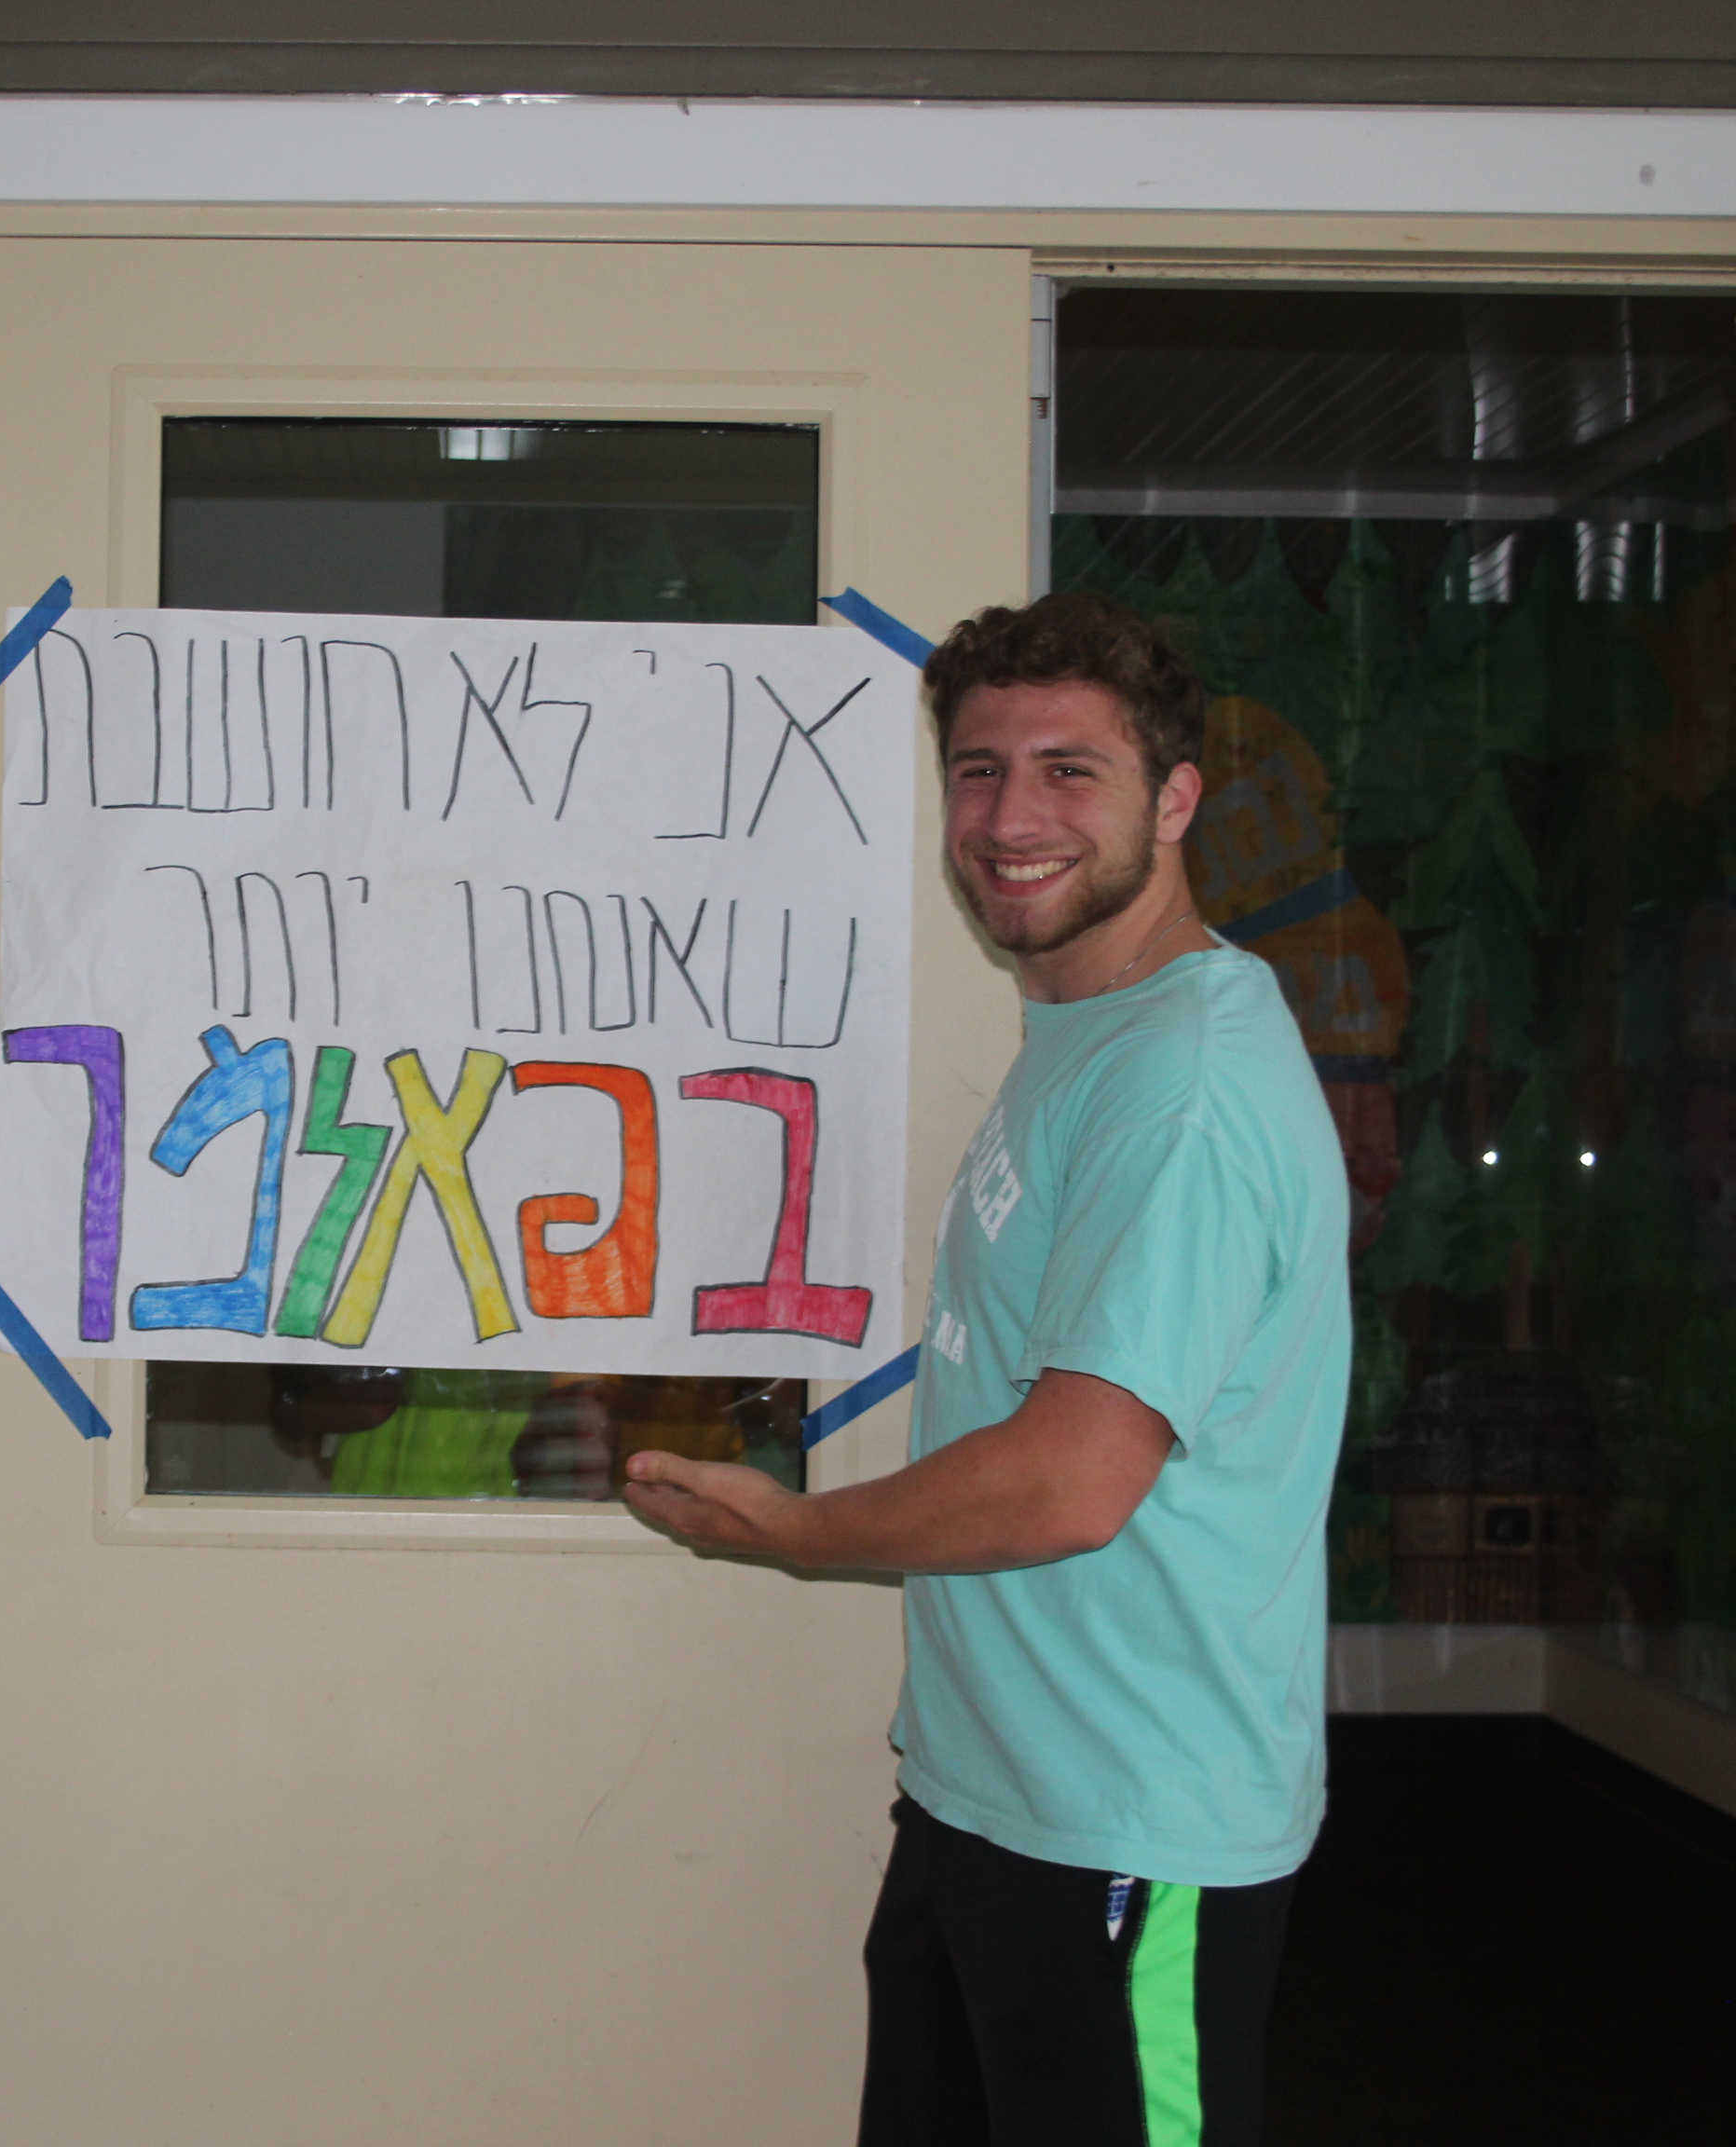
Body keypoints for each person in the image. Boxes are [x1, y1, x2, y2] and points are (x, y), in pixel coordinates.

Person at [622, 592, 1348, 2147]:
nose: (1011, 819)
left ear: (1174, 799)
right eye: (978, 770)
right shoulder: (1093, 1033)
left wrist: (796, 1530)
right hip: (992, 1797)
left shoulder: (1184, 1090)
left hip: (1131, 1828)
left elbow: (1073, 1480)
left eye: (1070, 771)